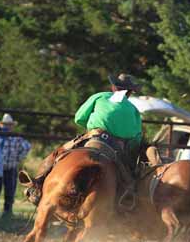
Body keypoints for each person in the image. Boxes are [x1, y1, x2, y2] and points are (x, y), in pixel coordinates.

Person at [19, 73, 142, 207]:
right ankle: (129, 200)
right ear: (130, 92)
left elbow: (79, 117)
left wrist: (92, 128)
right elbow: (136, 138)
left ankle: (37, 186)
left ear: (113, 87)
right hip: (117, 147)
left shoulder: (100, 96)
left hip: (93, 136)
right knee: (128, 175)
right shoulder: (134, 109)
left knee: (57, 154)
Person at [0, 113, 31, 217]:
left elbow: (27, 147)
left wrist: (18, 158)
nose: (7, 126)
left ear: (12, 126)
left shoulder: (16, 137)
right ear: (2, 125)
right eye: (5, 124)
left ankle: (7, 211)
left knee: (10, 190)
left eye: (9, 124)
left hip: (10, 167)